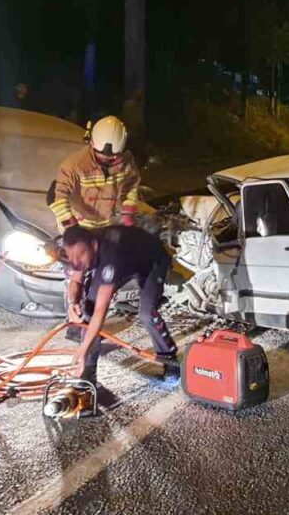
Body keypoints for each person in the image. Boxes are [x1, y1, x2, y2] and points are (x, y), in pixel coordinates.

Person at [61, 225, 179, 387]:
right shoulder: (81, 250)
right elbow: (75, 279)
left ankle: (170, 360)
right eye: (71, 256)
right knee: (86, 310)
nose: (76, 261)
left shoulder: (110, 256)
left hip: (151, 262)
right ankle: (87, 372)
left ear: (93, 246)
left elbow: (100, 311)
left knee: (146, 314)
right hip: (125, 262)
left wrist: (83, 348)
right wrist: (72, 303)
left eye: (80, 256)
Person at [49, 116, 143, 233]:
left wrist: (128, 209)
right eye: (101, 156)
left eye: (113, 157)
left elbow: (131, 186)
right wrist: (71, 228)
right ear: (92, 144)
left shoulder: (126, 164)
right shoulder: (74, 165)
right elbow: (58, 198)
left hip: (106, 224)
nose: (106, 160)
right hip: (77, 224)